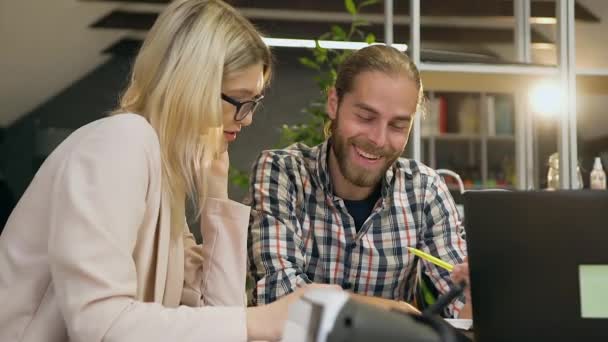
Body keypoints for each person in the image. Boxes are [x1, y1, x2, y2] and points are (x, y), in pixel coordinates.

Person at [0, 1, 336, 341]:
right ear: (191, 85)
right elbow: (99, 324)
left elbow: (216, 315)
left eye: (254, 103)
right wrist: (260, 320)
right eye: (239, 99)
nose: (247, 118)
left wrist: (215, 197)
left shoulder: (162, 173)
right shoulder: (120, 142)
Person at [248, 45, 472, 318]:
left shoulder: (425, 189)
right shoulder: (283, 173)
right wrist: (393, 310)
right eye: (365, 117)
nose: (378, 139)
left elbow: (462, 307)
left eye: (398, 126)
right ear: (334, 103)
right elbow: (278, 295)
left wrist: (478, 294)